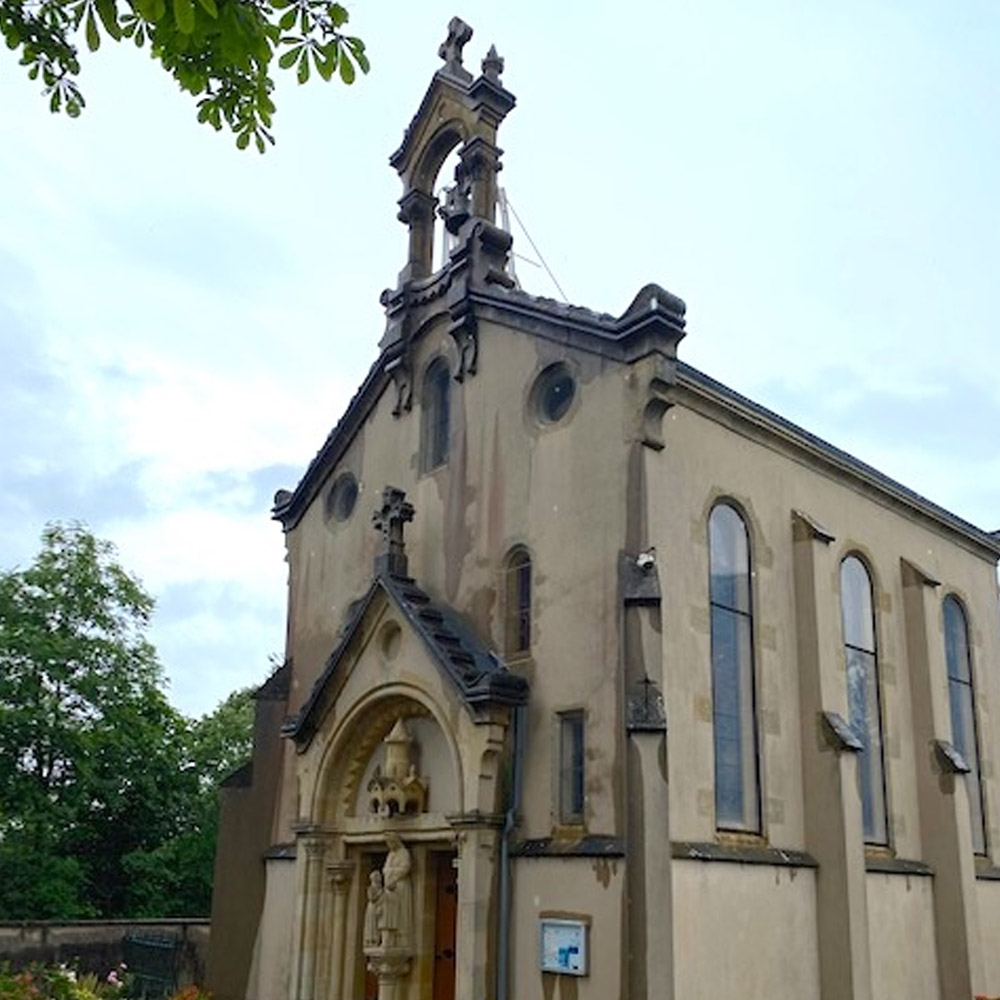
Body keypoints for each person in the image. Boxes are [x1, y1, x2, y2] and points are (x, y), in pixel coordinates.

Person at [379, 833, 413, 948]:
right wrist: (388, 873)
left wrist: (393, 876)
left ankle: (401, 939)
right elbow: (385, 869)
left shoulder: (404, 853)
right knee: (388, 912)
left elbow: (405, 868)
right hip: (389, 886)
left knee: (401, 911)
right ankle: (389, 939)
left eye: (390, 842)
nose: (389, 845)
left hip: (399, 885)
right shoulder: (391, 854)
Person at [363, 870, 384, 948]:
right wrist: (379, 893)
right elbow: (371, 898)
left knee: (377, 924)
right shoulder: (371, 888)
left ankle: (376, 940)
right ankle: (370, 940)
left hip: (379, 907)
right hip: (372, 907)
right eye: (377, 877)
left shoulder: (380, 888)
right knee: (371, 924)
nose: (379, 879)